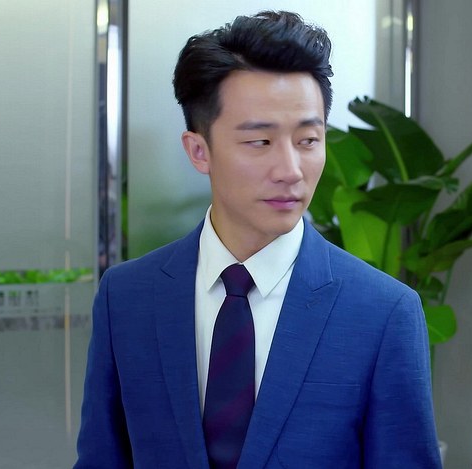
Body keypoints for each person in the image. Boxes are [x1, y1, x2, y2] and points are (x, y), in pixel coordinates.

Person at [75, 10, 440, 469]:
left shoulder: (383, 311)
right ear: (199, 151)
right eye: (260, 142)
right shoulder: (127, 297)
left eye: (308, 140)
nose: (290, 170)